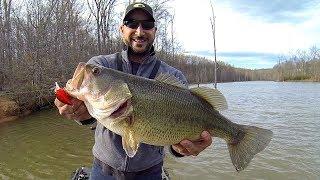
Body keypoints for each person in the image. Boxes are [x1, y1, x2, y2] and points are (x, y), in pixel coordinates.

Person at [55, 2, 212, 180]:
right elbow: (93, 111)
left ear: (154, 31)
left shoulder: (173, 77)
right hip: (104, 169)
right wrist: (77, 111)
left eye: (147, 25)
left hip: (150, 172)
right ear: (122, 29)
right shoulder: (101, 65)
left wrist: (181, 150)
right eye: (132, 23)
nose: (139, 31)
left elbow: (175, 138)